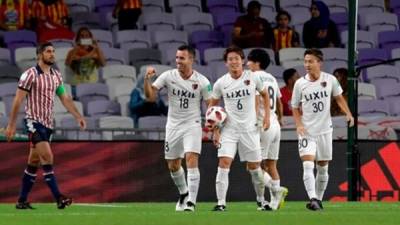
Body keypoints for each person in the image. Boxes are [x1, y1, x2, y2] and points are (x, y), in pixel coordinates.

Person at [5, 42, 86, 209]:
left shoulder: (56, 76)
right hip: (33, 122)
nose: (52, 54)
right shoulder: (30, 75)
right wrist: (11, 125)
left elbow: (65, 99)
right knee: (47, 157)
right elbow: (18, 100)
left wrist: (78, 116)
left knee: (33, 162)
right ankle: (59, 198)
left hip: (48, 124)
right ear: (39, 55)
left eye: (53, 51)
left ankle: (21, 201)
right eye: (48, 51)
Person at [144, 45, 212, 212]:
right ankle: (184, 193)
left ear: (191, 60)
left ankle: (191, 203)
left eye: (182, 58)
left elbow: (210, 103)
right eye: (177, 58)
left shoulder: (202, 81)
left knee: (191, 159)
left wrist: (212, 123)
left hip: (192, 124)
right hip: (173, 125)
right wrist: (147, 80)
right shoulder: (168, 76)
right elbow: (151, 98)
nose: (178, 61)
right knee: (173, 165)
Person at [207, 46, 270, 211]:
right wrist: (215, 130)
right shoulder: (221, 83)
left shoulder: (253, 77)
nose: (234, 62)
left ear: (242, 60)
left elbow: (265, 94)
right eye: (230, 59)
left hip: (250, 129)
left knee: (255, 168)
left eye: (236, 58)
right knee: (224, 162)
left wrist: (267, 117)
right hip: (229, 129)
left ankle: (261, 200)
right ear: (226, 63)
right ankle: (221, 203)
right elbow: (212, 107)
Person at [291, 49, 354, 210]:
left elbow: (339, 98)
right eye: (305, 61)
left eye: (310, 61)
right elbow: (295, 107)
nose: (307, 65)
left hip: (325, 130)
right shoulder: (300, 84)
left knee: (323, 166)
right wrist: (299, 124)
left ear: (319, 63)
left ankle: (318, 200)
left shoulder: (330, 80)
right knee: (307, 164)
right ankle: (312, 197)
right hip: (307, 131)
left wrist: (348, 114)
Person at [246, 48, 288, 211]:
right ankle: (273, 204)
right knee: (271, 165)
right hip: (275, 124)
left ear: (256, 62)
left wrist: (256, 121)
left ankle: (275, 192)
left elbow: (256, 100)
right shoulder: (272, 78)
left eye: (249, 60)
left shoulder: (253, 76)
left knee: (253, 165)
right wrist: (280, 118)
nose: (247, 63)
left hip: (262, 125)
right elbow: (279, 102)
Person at [65, 27, 106, 98]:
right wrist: (77, 47)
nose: (84, 38)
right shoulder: (72, 52)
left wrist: (97, 47)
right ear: (78, 39)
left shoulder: (96, 51)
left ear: (90, 38)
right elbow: (68, 63)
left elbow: (103, 64)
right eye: (82, 36)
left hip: (92, 85)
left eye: (87, 36)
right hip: (76, 86)